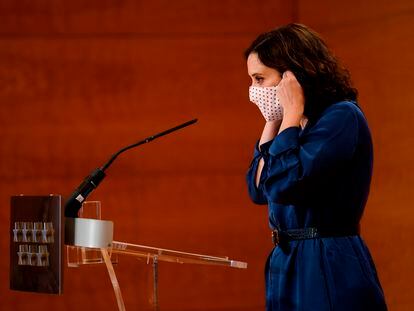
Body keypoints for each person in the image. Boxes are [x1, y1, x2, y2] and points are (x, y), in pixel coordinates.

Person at [245, 23, 387, 311]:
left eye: (260, 79)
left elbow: (286, 184)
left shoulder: (341, 117)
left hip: (325, 257)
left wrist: (291, 113)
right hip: (286, 258)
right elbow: (259, 189)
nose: (254, 90)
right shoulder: (291, 124)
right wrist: (275, 119)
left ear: (292, 75)